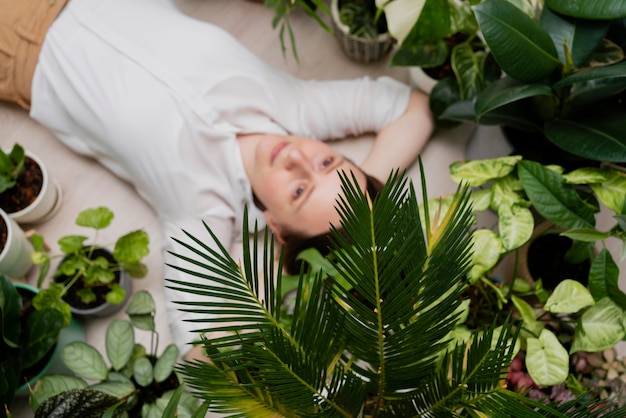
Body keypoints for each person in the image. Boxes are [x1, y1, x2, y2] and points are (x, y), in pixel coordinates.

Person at [0, 0, 433, 360]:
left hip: (21, 40)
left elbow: (199, 354)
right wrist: (368, 198)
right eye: (329, 163)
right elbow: (413, 108)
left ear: (277, 229)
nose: (298, 157)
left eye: (299, 192)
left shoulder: (199, 207)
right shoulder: (299, 109)